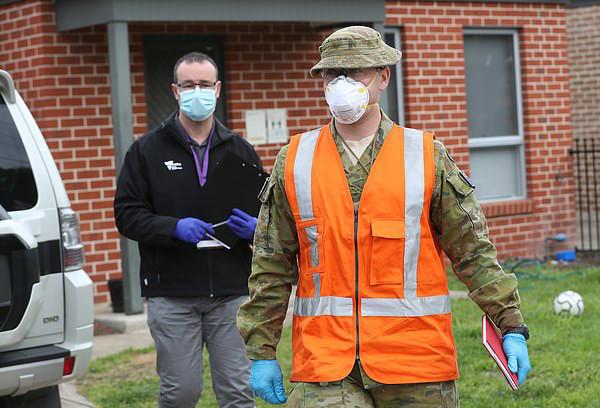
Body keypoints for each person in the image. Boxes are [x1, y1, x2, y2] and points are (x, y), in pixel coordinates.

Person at [237, 26, 531, 407]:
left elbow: (473, 251)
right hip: (327, 366)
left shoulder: (426, 156)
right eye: (332, 73)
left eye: (355, 71)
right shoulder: (294, 161)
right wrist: (261, 348)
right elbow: (270, 263)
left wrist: (510, 324)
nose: (342, 83)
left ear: (383, 77)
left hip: (415, 361)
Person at [114, 51, 260, 408]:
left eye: (205, 85)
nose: (198, 91)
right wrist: (172, 228)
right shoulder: (146, 151)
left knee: (238, 394)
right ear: (176, 91)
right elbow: (127, 214)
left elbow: (268, 216)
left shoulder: (241, 150)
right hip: (172, 294)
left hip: (230, 292)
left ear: (218, 89)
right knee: (181, 393)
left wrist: (257, 228)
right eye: (190, 85)